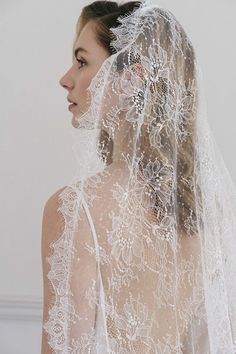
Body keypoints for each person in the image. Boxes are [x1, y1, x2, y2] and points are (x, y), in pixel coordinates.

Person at [41, 0, 236, 353]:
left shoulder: (74, 209)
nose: (66, 79)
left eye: (82, 61)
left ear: (132, 78)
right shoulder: (213, 212)